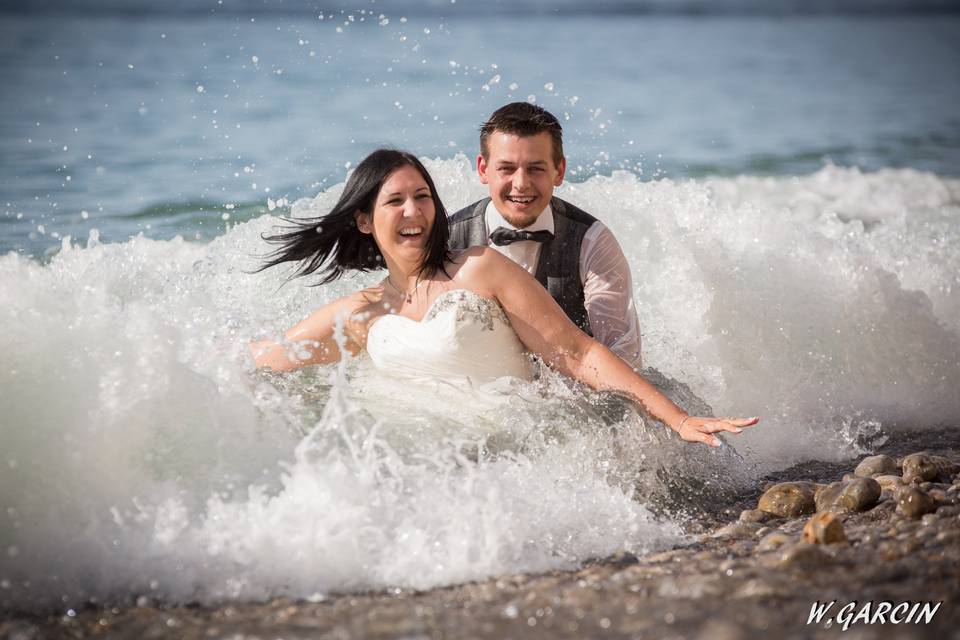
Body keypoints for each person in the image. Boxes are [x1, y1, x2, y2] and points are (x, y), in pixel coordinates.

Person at [251, 148, 758, 448]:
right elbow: (274, 359)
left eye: (423, 196)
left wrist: (676, 417)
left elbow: (576, 353)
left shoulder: (479, 267)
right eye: (395, 201)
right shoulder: (361, 312)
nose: (414, 211)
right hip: (431, 463)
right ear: (364, 220)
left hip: (524, 453)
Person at [449, 102, 642, 367]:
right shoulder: (448, 240)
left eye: (535, 169)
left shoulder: (592, 241)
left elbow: (623, 357)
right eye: (506, 168)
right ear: (483, 169)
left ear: (559, 171)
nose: (521, 183)